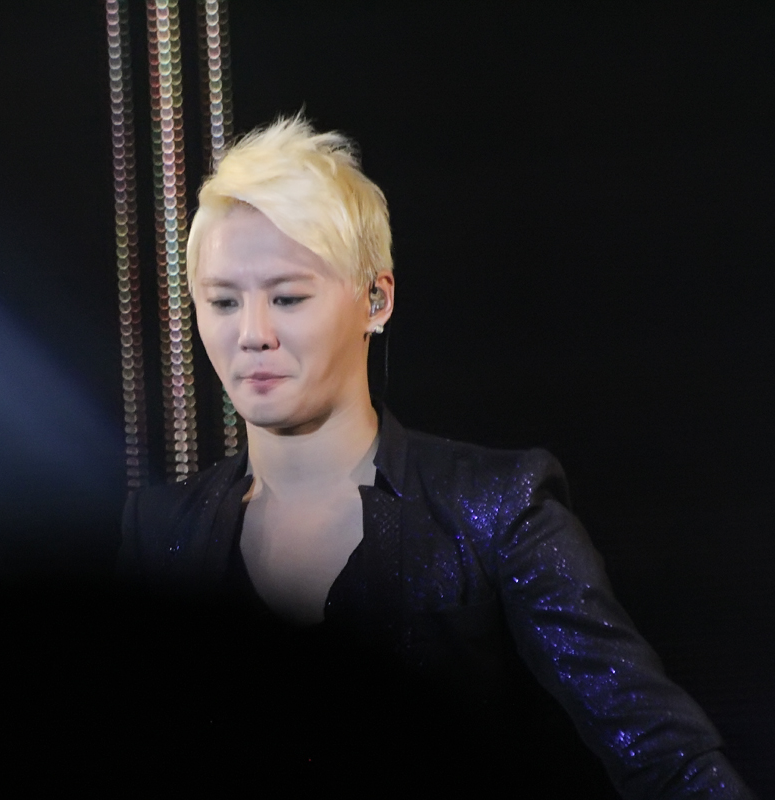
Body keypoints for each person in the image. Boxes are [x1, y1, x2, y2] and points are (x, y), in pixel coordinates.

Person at [117, 116, 754, 797]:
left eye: (288, 297)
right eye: (222, 301)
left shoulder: (498, 507)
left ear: (376, 299)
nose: (253, 333)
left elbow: (665, 755)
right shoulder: (161, 532)